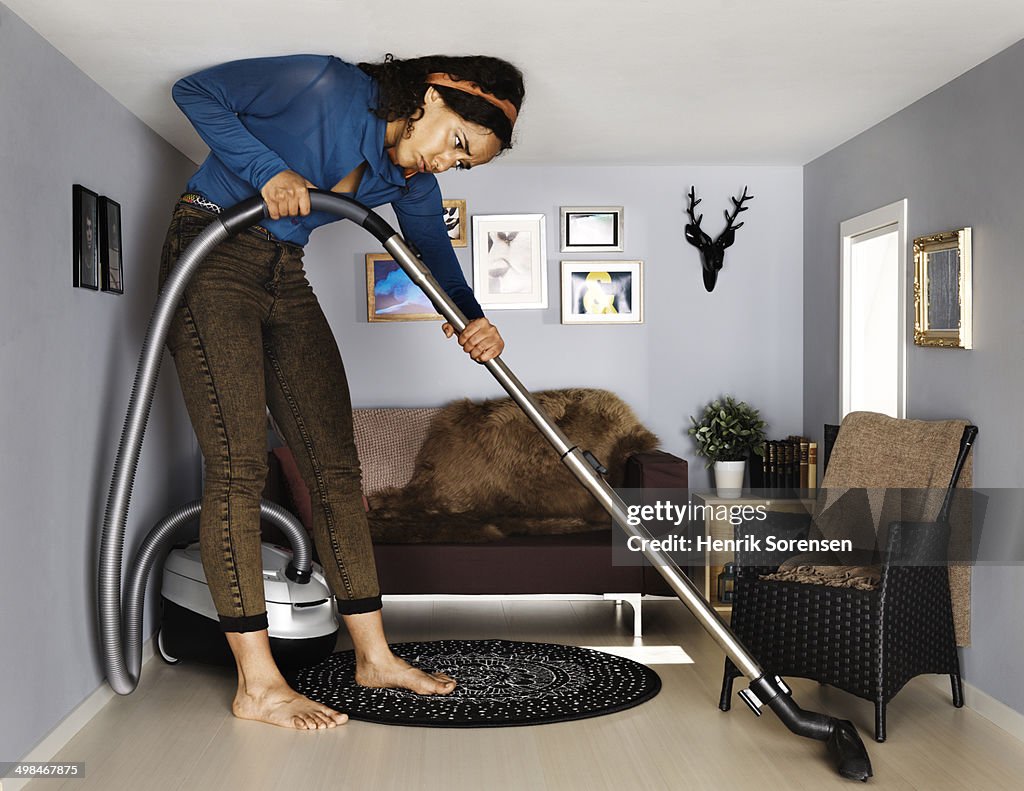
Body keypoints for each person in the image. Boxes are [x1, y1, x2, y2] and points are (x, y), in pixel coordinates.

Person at [158, 53, 525, 731]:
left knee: (335, 468)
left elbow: (429, 251)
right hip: (212, 248)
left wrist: (471, 317)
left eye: (464, 164)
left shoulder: (404, 172)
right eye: (458, 145)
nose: (448, 163)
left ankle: (374, 656)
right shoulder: (325, 83)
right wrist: (269, 170)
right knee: (238, 466)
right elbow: (194, 90)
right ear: (434, 97)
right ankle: (259, 684)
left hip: (282, 269)